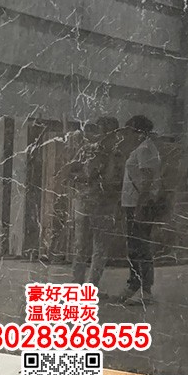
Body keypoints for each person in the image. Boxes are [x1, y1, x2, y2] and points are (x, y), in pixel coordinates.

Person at [71, 116, 123, 294]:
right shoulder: (100, 152)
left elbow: (73, 171)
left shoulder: (92, 151)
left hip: (93, 203)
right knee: (92, 247)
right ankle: (84, 286)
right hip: (94, 203)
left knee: (89, 247)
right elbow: (71, 172)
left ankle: (83, 286)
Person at [120, 115, 162, 305]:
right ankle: (134, 284)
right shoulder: (140, 148)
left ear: (138, 132)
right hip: (132, 203)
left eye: (129, 131)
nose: (126, 135)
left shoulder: (145, 149)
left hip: (141, 204)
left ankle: (146, 289)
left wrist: (140, 206)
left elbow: (147, 179)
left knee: (141, 247)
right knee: (134, 247)